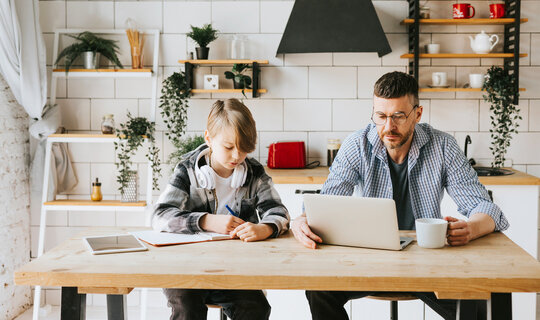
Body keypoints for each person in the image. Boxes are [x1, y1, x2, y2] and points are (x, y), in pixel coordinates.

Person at [291, 71, 509, 320]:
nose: (388, 127)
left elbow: (484, 206)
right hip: (369, 260)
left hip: (428, 262)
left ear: (417, 114)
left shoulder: (443, 146)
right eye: (381, 116)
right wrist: (302, 219)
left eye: (398, 116)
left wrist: (471, 228)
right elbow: (327, 203)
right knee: (318, 290)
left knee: (476, 310)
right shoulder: (356, 145)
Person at [153, 98, 290, 320]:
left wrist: (264, 228)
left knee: (256, 308)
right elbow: (160, 216)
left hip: (235, 269)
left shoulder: (254, 173)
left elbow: (279, 213)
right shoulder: (186, 170)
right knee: (187, 310)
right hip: (186, 268)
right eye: (228, 147)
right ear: (208, 138)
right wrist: (206, 221)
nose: (237, 156)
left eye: (244, 148)